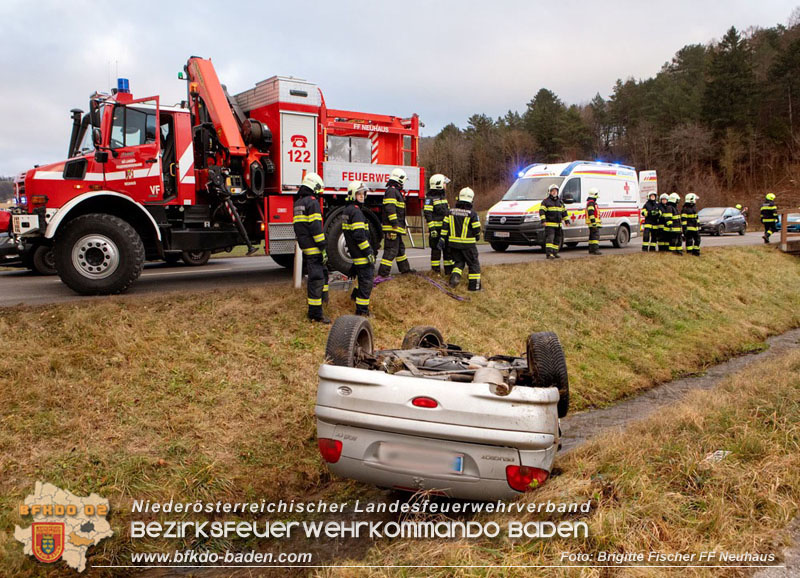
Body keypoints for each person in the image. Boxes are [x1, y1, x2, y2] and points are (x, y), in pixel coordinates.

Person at [293, 172, 329, 323]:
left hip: (305, 245)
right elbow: (315, 226)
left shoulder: (298, 203)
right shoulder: (312, 202)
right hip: (314, 246)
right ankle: (315, 314)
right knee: (317, 278)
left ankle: (324, 301)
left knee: (322, 274)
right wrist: (323, 246)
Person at [342, 181, 375, 316]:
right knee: (366, 282)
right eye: (359, 194)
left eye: (363, 193)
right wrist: (368, 252)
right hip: (361, 254)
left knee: (361, 279)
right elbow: (359, 236)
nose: (362, 196)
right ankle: (362, 311)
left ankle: (354, 296)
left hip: (355, 253)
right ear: (352, 195)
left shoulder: (348, 210)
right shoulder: (356, 212)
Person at [440, 187, 482, 290]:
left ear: (458, 198)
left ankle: (454, 280)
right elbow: (477, 229)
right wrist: (477, 237)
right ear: (471, 200)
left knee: (459, 263)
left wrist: (442, 239)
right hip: (468, 245)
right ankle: (474, 287)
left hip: (453, 244)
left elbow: (445, 227)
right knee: (473, 264)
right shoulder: (472, 214)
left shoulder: (450, 212)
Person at [377, 168, 413, 276]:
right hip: (392, 228)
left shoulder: (395, 191)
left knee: (400, 249)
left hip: (395, 228)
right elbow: (390, 208)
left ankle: (405, 270)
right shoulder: (392, 191)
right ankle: (383, 274)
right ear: (400, 180)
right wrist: (394, 224)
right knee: (391, 250)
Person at [424, 174, 452, 275]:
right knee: (436, 252)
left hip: (445, 231)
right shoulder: (430, 199)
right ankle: (436, 273)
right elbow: (428, 214)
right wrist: (432, 229)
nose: (446, 185)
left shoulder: (443, 198)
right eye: (444, 183)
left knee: (448, 252)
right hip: (436, 231)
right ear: (438, 184)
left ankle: (448, 273)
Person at [539, 183, 570, 259]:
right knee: (550, 239)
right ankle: (549, 254)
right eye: (552, 191)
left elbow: (564, 212)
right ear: (549, 192)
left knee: (557, 240)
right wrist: (543, 221)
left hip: (558, 225)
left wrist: (567, 221)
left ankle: (555, 253)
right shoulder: (546, 201)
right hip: (550, 225)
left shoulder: (560, 202)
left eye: (555, 191)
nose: (554, 192)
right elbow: (542, 211)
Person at [585, 188, 602, 255]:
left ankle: (591, 249)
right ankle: (595, 249)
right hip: (593, 223)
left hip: (591, 223)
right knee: (595, 237)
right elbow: (591, 213)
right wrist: (594, 223)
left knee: (592, 237)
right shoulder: (591, 203)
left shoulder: (590, 203)